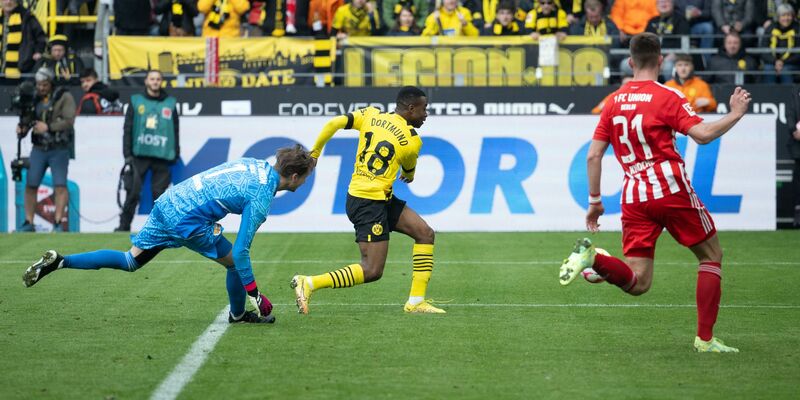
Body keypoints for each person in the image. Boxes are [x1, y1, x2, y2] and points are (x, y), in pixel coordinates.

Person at [559, 32, 751, 353]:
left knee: (638, 282)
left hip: (634, 194)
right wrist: (735, 113)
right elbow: (702, 135)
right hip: (670, 188)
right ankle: (705, 340)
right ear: (662, 61)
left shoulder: (614, 101)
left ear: (631, 62)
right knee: (711, 256)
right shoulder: (668, 96)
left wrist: (594, 203)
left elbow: (593, 156)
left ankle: (597, 259)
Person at [22, 146, 316, 324]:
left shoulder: (255, 163)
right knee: (233, 264)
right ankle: (239, 314)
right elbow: (241, 252)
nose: (303, 183)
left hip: (169, 200)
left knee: (130, 260)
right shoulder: (262, 196)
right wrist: (256, 295)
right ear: (293, 177)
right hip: (188, 220)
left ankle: (61, 261)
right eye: (303, 178)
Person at [290, 86, 444, 315]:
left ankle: (415, 301)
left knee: (425, 233)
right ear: (411, 109)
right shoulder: (412, 140)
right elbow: (409, 171)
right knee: (372, 270)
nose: (426, 114)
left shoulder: (371, 115)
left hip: (377, 197)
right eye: (424, 109)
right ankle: (309, 282)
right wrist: (409, 176)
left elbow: (334, 124)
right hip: (367, 204)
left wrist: (315, 153)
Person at [116, 70, 180, 232]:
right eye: (152, 79)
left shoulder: (170, 103)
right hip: (139, 155)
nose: (155, 82)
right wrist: (127, 154)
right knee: (132, 192)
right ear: (146, 81)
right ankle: (123, 227)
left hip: (162, 155)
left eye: (158, 79)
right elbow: (128, 128)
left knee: (159, 195)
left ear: (161, 82)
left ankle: (161, 229)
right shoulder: (136, 101)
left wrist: (175, 152)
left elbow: (175, 129)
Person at [16, 67, 76, 232]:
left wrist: (48, 127)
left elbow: (69, 121)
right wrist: (23, 128)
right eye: (39, 85)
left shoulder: (64, 96)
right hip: (38, 148)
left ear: (51, 83)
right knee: (31, 184)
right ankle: (29, 222)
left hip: (59, 148)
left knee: (60, 185)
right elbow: (29, 118)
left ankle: (58, 221)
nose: (41, 88)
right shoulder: (34, 98)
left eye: (44, 84)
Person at [0, 0, 46, 78]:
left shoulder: (26, 16)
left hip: (20, 69)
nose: (8, 2)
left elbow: (40, 36)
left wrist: (38, 51)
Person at [759, 4, 800, 84]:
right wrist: (775, 61)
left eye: (789, 15)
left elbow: (798, 53)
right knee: (769, 70)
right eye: (783, 15)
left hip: (791, 63)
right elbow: (763, 50)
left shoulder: (797, 29)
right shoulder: (771, 28)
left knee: (786, 71)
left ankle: (790, 95)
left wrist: (783, 62)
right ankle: (768, 96)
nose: (786, 18)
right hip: (772, 63)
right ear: (778, 17)